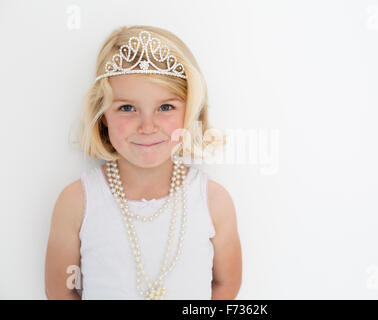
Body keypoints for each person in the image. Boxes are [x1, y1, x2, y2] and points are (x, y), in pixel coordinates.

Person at [45, 25, 242, 300]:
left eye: (165, 107)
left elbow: (225, 283)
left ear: (189, 110)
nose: (147, 126)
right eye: (127, 108)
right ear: (103, 114)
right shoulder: (77, 201)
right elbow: (61, 291)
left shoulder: (213, 201)